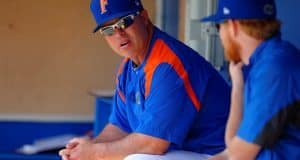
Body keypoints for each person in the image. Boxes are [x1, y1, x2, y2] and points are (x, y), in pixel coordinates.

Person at [59, 0, 231, 159]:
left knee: (137, 158)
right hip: (181, 153)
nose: (118, 33)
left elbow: (154, 143)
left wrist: (95, 153)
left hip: (216, 154)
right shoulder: (127, 67)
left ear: (144, 17)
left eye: (124, 22)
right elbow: (120, 127)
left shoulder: (168, 64)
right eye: (108, 30)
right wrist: (85, 150)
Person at [201, 0, 300, 159]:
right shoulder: (264, 62)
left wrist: (238, 88)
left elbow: (239, 154)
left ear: (233, 26)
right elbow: (231, 150)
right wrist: (238, 84)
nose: (220, 35)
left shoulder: (274, 68)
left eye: (219, 26)